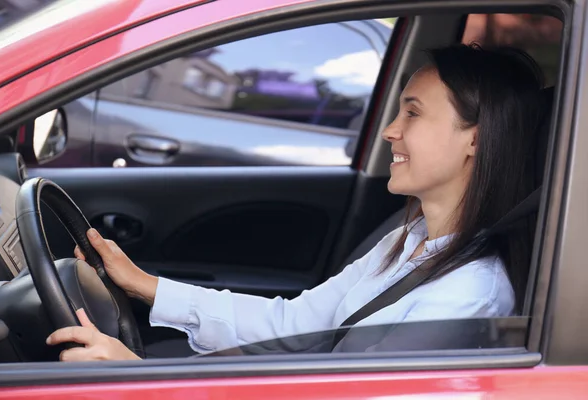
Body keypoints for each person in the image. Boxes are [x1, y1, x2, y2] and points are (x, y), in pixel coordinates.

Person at [45, 43, 545, 361]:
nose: (391, 130)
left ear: (475, 141)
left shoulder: (467, 295)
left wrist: (136, 380)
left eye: (412, 114)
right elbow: (293, 325)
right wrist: (148, 287)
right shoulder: (410, 240)